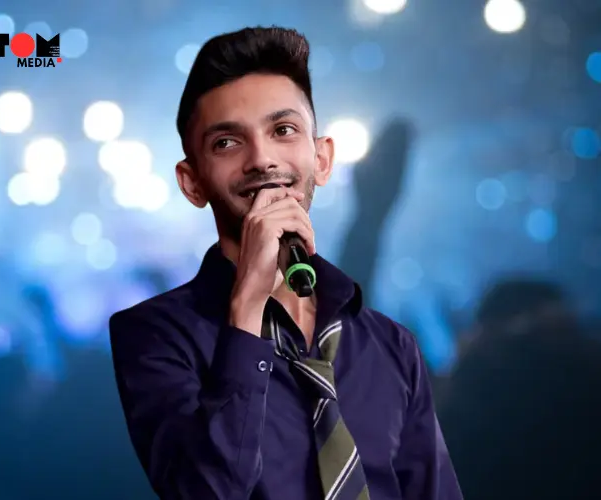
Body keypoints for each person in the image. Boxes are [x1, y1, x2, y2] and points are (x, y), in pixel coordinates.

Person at [109, 26, 462, 500]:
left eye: (283, 130)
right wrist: (247, 306)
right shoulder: (155, 335)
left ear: (321, 158)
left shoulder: (391, 345)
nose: (262, 159)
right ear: (192, 183)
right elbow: (204, 492)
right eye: (227, 143)